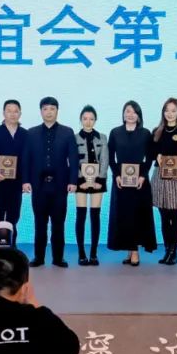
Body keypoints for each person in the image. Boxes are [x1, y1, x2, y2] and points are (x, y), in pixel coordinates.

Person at [23, 97, 76, 268]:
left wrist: (73, 181)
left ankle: (58, 258)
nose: (49, 112)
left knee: (58, 224)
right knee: (40, 223)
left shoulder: (67, 132)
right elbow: (26, 159)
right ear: (41, 111)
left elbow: (73, 159)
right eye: (45, 109)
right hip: (38, 185)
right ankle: (38, 257)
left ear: (57, 111)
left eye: (52, 109)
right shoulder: (31, 133)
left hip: (60, 185)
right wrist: (25, 181)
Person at [107, 101, 157, 266]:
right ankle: (129, 249)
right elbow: (110, 157)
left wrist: (143, 175)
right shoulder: (115, 132)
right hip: (121, 181)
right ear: (123, 114)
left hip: (139, 182)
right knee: (124, 216)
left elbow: (150, 157)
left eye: (134, 112)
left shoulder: (145, 133)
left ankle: (135, 251)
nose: (130, 114)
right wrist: (116, 175)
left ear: (139, 115)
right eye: (127, 111)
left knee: (137, 216)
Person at [149, 97, 177, 266]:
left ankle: (174, 252)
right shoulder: (156, 131)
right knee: (163, 216)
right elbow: (150, 152)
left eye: (173, 110)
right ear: (163, 112)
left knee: (174, 215)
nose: (170, 113)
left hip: (176, 178)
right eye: (167, 110)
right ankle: (167, 249)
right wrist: (157, 155)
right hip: (159, 177)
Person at [0, 99, 27, 241]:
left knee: (14, 215)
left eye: (16, 111)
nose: (12, 114)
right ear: (3, 113)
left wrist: (25, 180)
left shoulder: (25, 134)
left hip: (17, 182)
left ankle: (11, 244)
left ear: (20, 113)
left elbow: (28, 159)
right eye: (9, 111)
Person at [73, 105, 109, 266]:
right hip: (80, 181)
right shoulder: (74, 138)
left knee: (95, 216)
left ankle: (93, 253)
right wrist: (80, 180)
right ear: (81, 120)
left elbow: (105, 160)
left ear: (95, 120)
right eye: (85, 119)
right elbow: (72, 160)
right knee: (80, 215)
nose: (88, 122)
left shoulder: (102, 137)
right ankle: (81, 253)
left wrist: (99, 180)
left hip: (97, 182)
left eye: (91, 119)